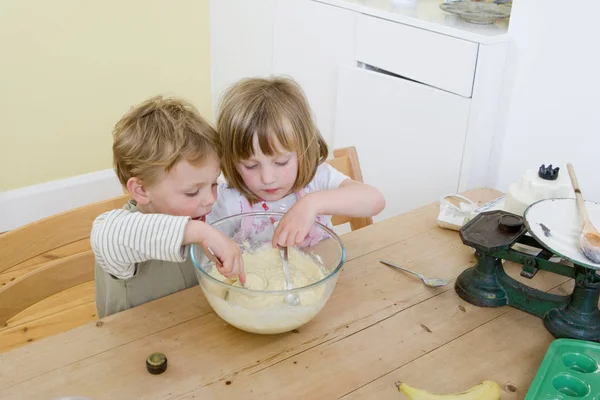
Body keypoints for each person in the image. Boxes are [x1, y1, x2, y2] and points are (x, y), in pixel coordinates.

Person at [91, 95, 245, 318]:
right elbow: (105, 233)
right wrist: (200, 232)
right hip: (135, 344)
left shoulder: (197, 212)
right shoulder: (121, 236)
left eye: (213, 183)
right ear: (142, 191)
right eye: (192, 192)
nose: (210, 199)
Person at [208, 76, 385, 247]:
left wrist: (312, 204)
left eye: (281, 162)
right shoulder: (229, 202)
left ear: (303, 150)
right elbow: (207, 249)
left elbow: (375, 200)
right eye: (251, 166)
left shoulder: (317, 180)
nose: (268, 178)